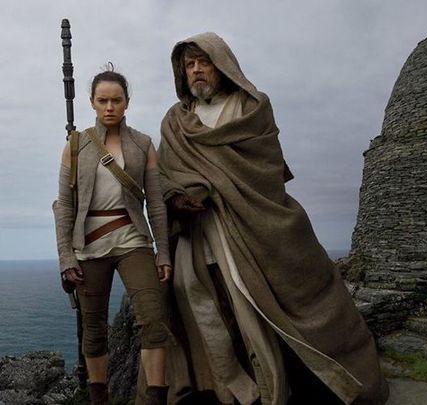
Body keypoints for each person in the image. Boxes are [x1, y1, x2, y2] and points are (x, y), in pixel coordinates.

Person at [158, 33, 389, 404]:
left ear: (223, 65)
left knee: (268, 305)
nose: (197, 70)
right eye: (190, 64)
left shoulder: (251, 108)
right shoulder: (175, 122)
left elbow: (265, 167)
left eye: (205, 61)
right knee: (215, 309)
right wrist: (179, 196)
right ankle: (233, 389)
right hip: (203, 236)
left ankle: (291, 386)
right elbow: (166, 173)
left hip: (256, 226)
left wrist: (209, 187)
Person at [53, 66, 173, 405]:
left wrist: (162, 252)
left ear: (126, 103)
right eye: (103, 100)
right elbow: (65, 206)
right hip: (88, 247)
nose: (109, 107)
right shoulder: (75, 147)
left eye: (116, 100)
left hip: (133, 240)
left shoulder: (143, 145)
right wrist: (66, 257)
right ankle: (99, 400)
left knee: (153, 320)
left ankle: (155, 400)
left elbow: (157, 204)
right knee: (94, 331)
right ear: (92, 102)